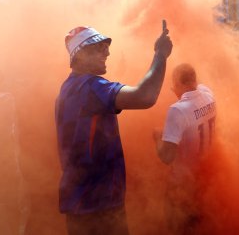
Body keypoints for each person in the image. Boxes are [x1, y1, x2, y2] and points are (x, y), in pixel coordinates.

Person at [55, 23, 172, 235]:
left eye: (105, 46)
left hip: (81, 205)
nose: (107, 51)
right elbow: (145, 96)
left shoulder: (68, 88)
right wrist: (161, 54)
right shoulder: (90, 87)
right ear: (79, 56)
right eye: (98, 47)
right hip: (98, 208)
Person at [153, 63, 216, 234]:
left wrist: (158, 137)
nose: (173, 90)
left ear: (179, 83)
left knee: (179, 228)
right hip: (205, 178)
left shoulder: (178, 110)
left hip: (182, 185)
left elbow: (167, 157)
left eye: (174, 86)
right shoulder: (209, 96)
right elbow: (200, 87)